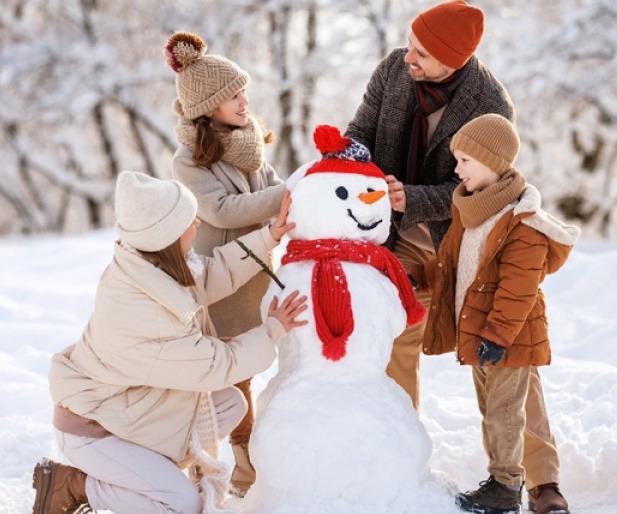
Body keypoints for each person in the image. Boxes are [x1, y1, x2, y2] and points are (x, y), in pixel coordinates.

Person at [344, 2, 572, 513]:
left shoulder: (489, 104)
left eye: (422, 52)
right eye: (411, 43)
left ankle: (541, 480)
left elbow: (476, 186)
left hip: (468, 237)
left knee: (515, 355)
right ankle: (396, 458)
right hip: (398, 232)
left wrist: (413, 197)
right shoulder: (393, 69)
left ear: (453, 59)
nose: (409, 56)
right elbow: (361, 128)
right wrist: (350, 162)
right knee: (394, 334)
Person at [30, 171, 307, 514]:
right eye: (190, 221)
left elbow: (212, 274)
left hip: (132, 409)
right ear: (167, 236)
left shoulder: (151, 268)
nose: (198, 225)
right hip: (95, 430)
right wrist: (272, 330)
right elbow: (216, 365)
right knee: (180, 505)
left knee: (229, 403)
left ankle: (153, 474)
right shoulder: (143, 313)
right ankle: (72, 484)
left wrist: (269, 236)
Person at [410, 114, 578, 514]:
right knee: (492, 412)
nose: (456, 169)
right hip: (480, 333)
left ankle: (506, 487)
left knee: (504, 413)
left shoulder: (523, 223)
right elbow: (453, 267)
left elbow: (517, 288)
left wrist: (497, 335)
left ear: (492, 161)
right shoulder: (471, 214)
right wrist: (418, 276)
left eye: (465, 159)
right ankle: (501, 479)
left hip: (506, 337)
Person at [164, 30, 288, 496]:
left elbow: (270, 188)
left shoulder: (248, 142)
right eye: (233, 95)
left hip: (259, 270)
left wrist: (293, 195)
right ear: (208, 104)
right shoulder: (189, 161)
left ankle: (256, 460)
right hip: (222, 278)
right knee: (235, 375)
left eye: (243, 91)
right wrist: (286, 197)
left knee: (256, 368)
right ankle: (238, 467)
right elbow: (223, 211)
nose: (244, 101)